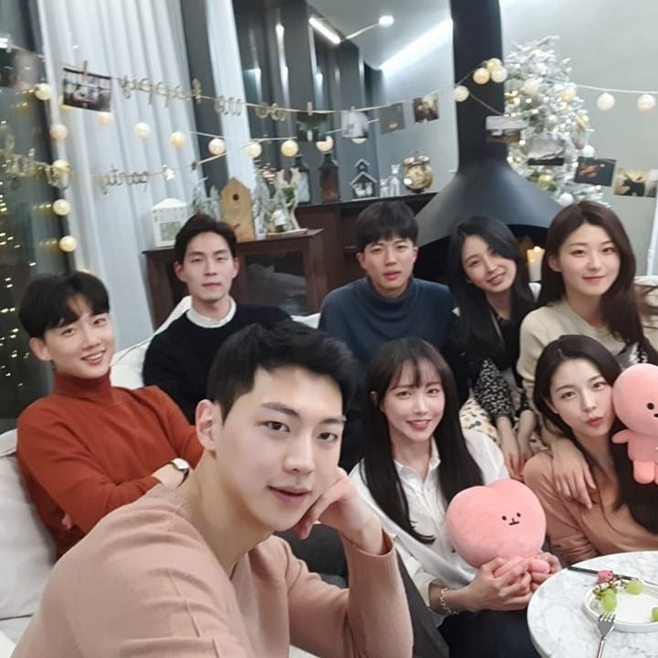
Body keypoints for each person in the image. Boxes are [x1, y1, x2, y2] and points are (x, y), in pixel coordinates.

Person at [12, 321, 413, 658]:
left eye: (326, 435)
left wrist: (365, 532)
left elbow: (371, 649)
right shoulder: (152, 570)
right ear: (208, 426)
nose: (304, 461)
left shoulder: (261, 553)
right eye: (276, 426)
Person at [350, 338, 559, 658]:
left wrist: (537, 562)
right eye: (404, 394)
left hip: (509, 596)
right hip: (441, 621)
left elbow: (514, 527)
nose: (422, 407)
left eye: (432, 391)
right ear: (378, 401)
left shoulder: (478, 449)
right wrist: (471, 597)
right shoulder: (363, 487)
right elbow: (407, 586)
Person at [16, 272, 202, 556]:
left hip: (193, 545)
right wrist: (179, 468)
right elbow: (106, 514)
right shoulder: (42, 422)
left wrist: (143, 490)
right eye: (69, 331)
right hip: (117, 566)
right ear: (41, 348)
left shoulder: (153, 401)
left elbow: (218, 471)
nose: (91, 340)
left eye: (98, 321)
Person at [517, 200, 658, 507]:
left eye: (607, 250)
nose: (596, 264)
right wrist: (561, 445)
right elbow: (542, 403)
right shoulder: (541, 326)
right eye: (579, 252)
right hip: (594, 453)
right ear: (554, 261)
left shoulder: (651, 307)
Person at [319, 200, 460, 470]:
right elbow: (329, 386)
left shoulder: (441, 300)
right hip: (363, 434)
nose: (390, 259)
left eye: (400, 247)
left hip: (428, 424)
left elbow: (454, 378)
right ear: (361, 259)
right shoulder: (338, 307)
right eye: (377, 249)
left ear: (415, 253)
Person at [524, 335, 658, 565]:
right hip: (623, 584)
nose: (588, 404)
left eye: (598, 386)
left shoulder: (650, 434)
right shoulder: (544, 472)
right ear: (551, 404)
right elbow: (580, 559)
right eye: (568, 394)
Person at [143, 213, 289, 422]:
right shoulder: (165, 350)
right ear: (180, 271)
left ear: (235, 267)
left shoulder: (273, 323)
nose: (210, 270)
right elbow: (174, 423)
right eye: (197, 260)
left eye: (220, 259)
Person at [447, 216, 538, 479]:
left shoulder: (539, 300)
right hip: (492, 402)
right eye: (475, 263)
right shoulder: (462, 319)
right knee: (471, 432)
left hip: (540, 394)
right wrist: (507, 432)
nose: (491, 268)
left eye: (496, 252)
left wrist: (524, 433)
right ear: (466, 276)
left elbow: (542, 372)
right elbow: (485, 379)